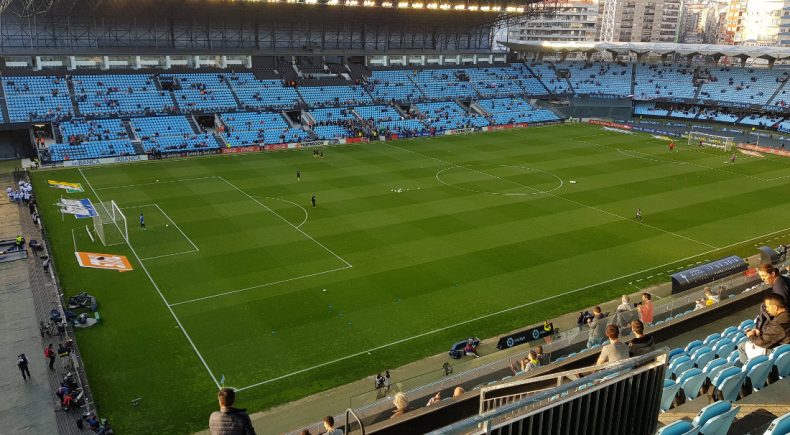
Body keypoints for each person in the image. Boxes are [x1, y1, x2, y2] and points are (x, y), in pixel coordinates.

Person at [738, 294, 790, 364]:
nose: (766, 309)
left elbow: (763, 342)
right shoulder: (786, 314)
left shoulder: (778, 323)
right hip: (786, 348)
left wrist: (750, 336)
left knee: (741, 346)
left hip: (778, 351)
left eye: (767, 307)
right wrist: (760, 333)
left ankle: (749, 372)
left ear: (775, 307)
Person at [756, 263, 790, 329]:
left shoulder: (779, 287)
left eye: (764, 276)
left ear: (773, 274)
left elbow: (782, 308)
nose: (762, 279)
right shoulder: (782, 279)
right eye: (761, 276)